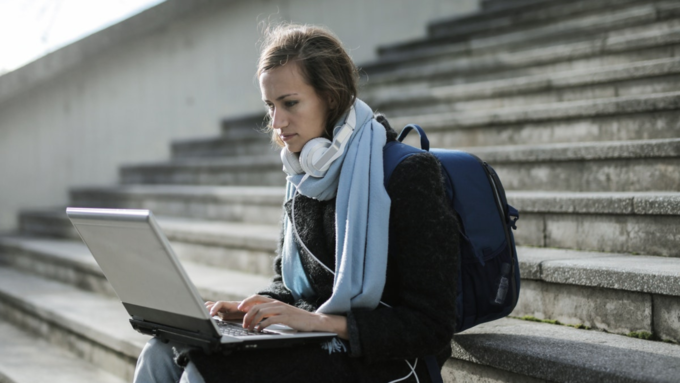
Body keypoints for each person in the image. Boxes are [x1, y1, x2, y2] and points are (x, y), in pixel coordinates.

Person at [133, 23, 459, 383]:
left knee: (205, 372)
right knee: (161, 353)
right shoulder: (304, 174)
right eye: (270, 106)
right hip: (316, 341)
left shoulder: (408, 174)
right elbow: (287, 283)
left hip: (386, 361)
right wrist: (246, 309)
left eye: (290, 103)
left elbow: (432, 324)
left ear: (331, 98)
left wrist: (322, 323)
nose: (277, 122)